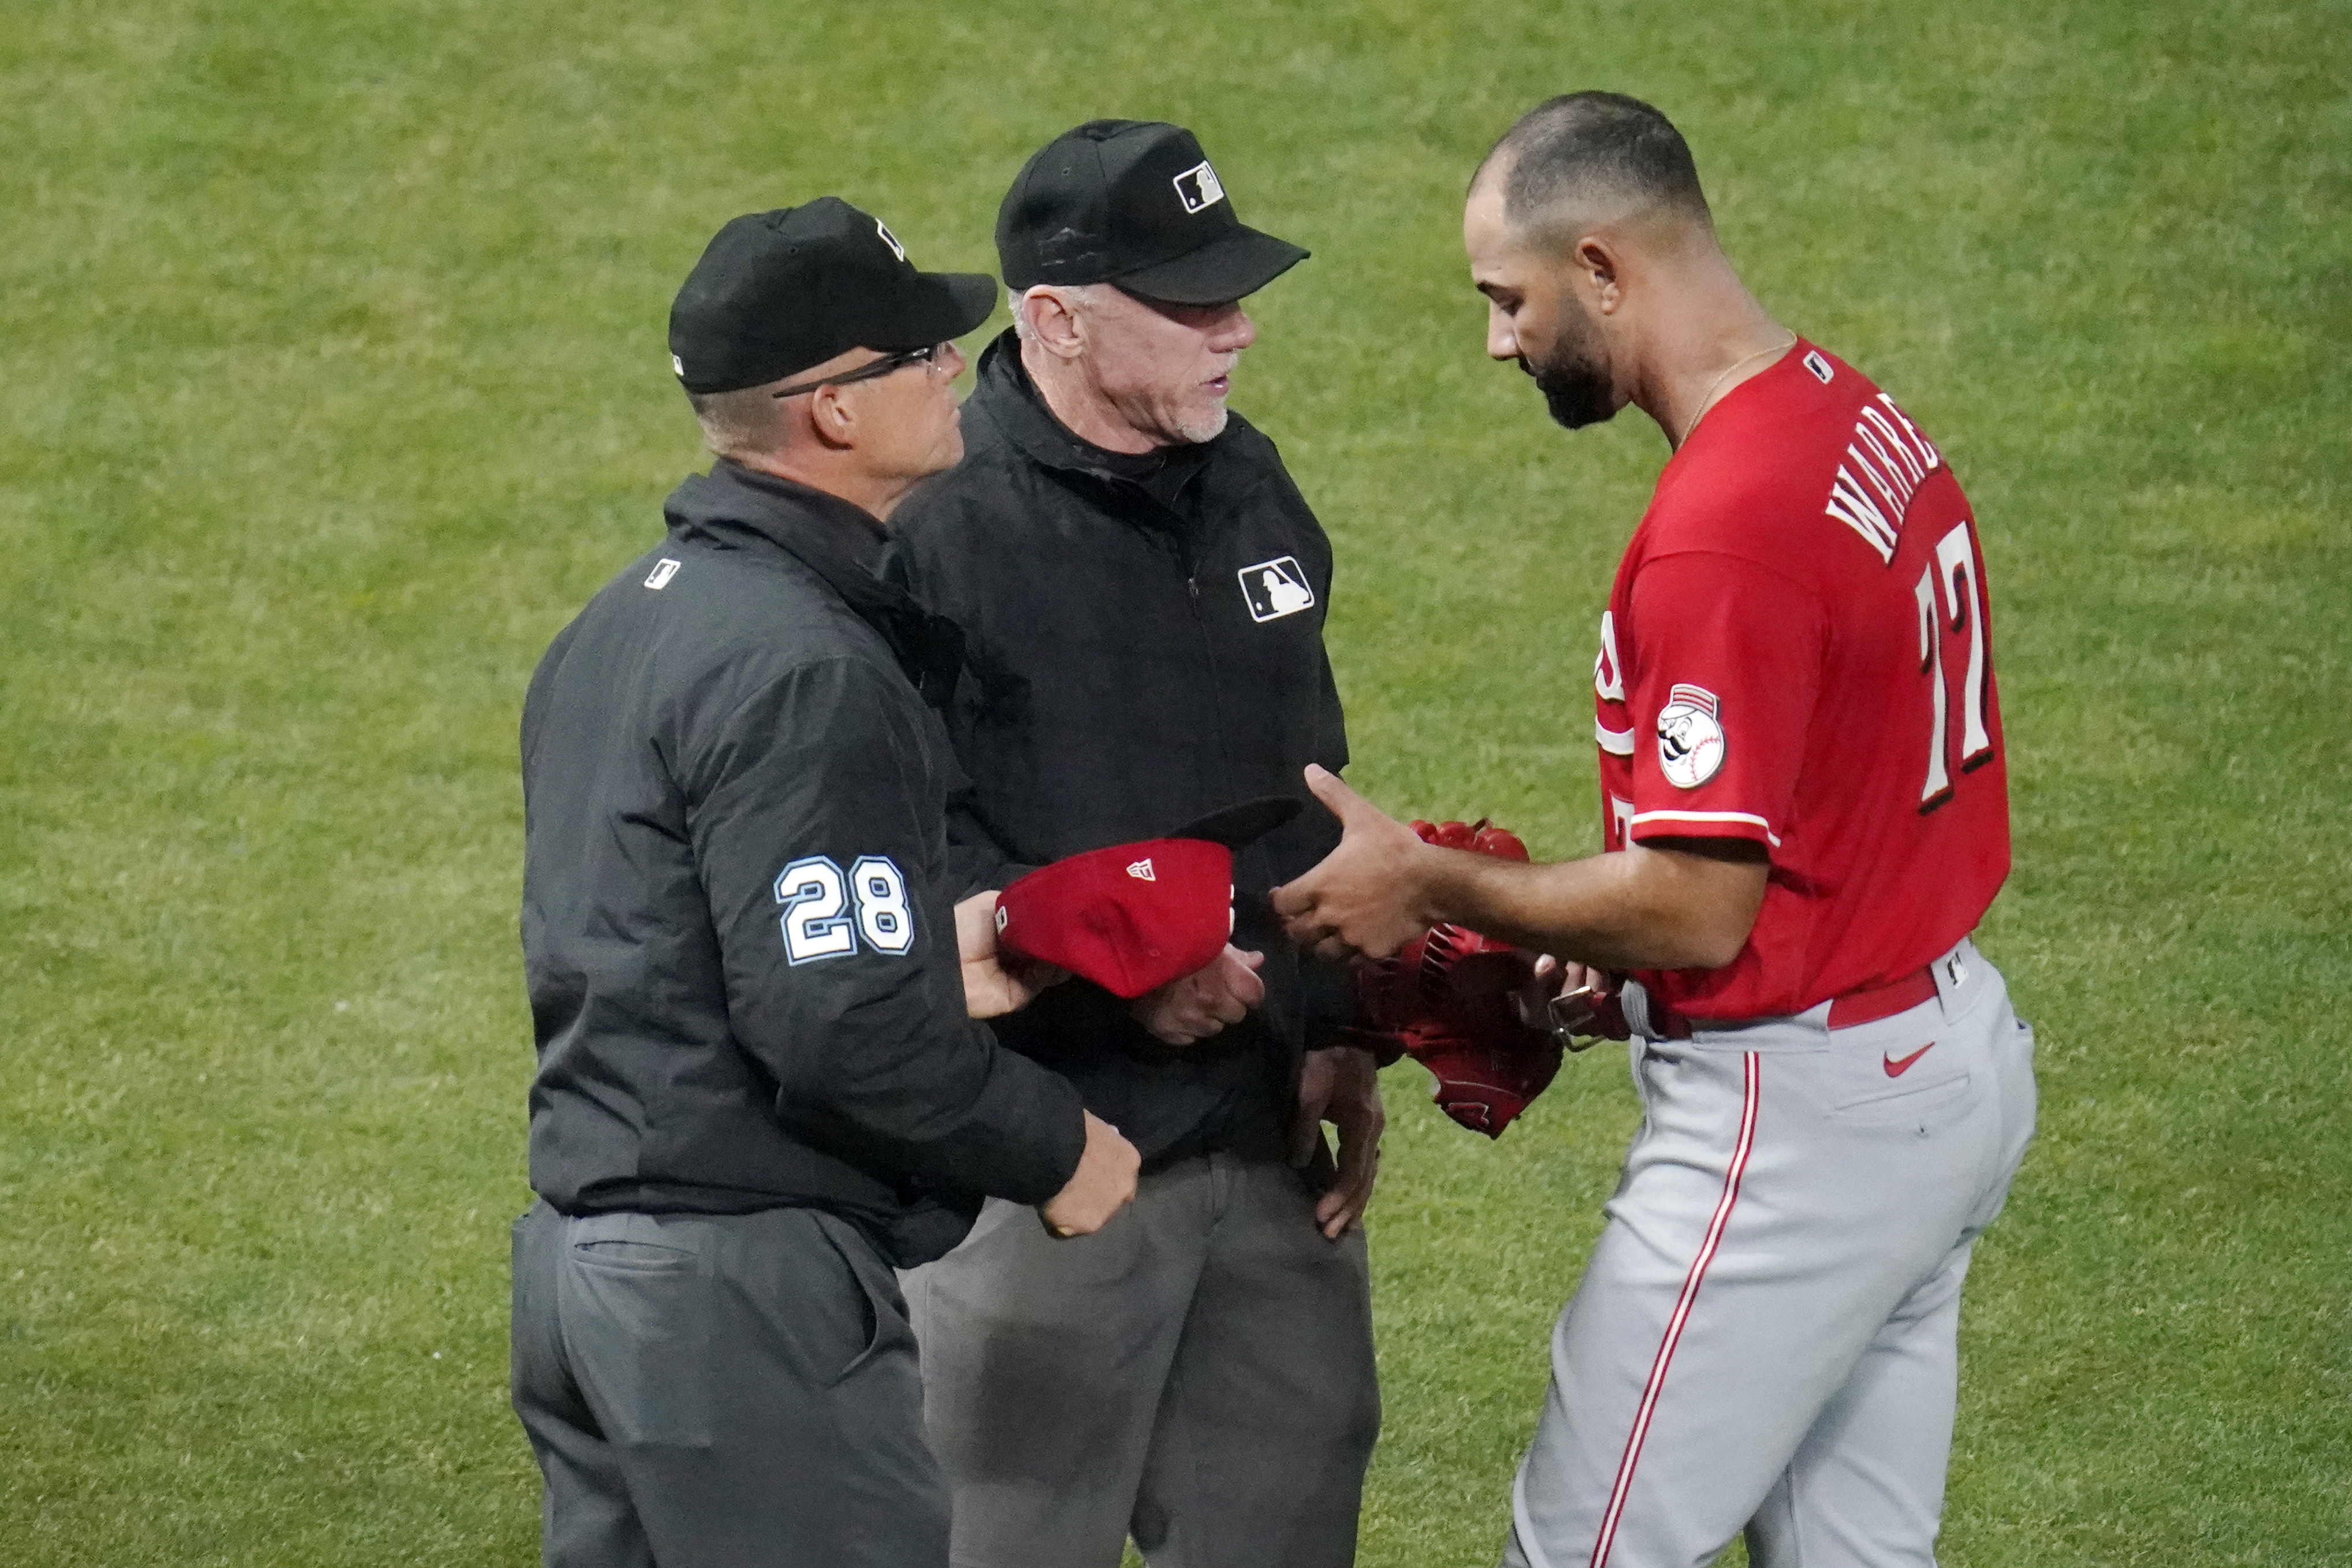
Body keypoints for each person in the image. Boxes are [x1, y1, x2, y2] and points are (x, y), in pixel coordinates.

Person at [1275, 93, 2037, 1568]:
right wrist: (1610, 965)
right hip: (1936, 1053)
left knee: (1584, 1546)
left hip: (1798, 1118)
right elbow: (1827, 804)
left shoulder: (1722, 530)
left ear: (1603, 267)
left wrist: (1438, 882)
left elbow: (1699, 908)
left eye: (1510, 299)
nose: (1498, 341)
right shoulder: (1845, 410)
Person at [509, 197, 1140, 1568]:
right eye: (918, 353)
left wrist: (926, 950)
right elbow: (838, 1024)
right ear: (833, 413)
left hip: (583, 1272)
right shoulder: (806, 663)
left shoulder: (618, 625)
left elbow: (675, 937)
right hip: (736, 1297)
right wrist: (1055, 1141)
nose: (952, 370)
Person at [880, 120, 1383, 1568]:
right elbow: (895, 845)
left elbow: (1306, 787)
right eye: (1188, 306)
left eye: (1234, 292)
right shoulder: (936, 531)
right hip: (1040, 1161)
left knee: (1284, 1525)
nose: (1235, 331)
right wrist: (1117, 974)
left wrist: (1339, 1022)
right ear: (1053, 322)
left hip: (1260, 1132)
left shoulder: (1247, 482)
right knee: (1008, 1539)